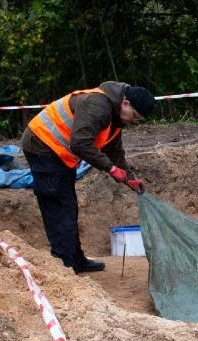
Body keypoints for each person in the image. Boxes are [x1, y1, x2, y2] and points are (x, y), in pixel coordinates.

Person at [21, 81, 155, 274]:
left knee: (69, 205)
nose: (133, 121)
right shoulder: (98, 106)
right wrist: (110, 169)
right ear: (125, 102)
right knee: (59, 206)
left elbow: (114, 151)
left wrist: (129, 178)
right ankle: (64, 266)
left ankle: (76, 259)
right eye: (135, 116)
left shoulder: (116, 115)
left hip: (60, 153)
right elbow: (80, 143)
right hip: (42, 145)